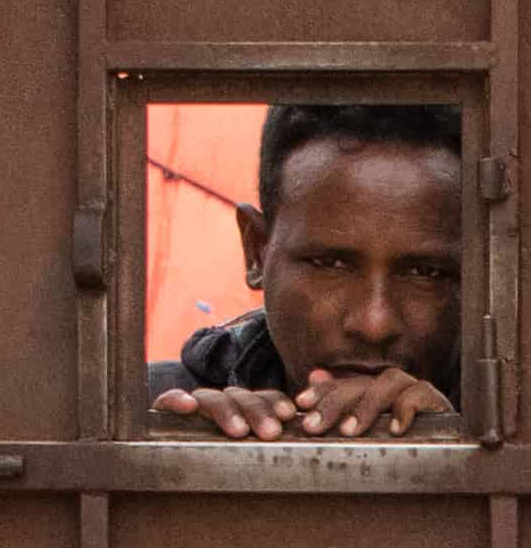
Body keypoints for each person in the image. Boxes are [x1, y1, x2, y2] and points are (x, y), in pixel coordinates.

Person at [148, 99, 467, 437]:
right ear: (256, 250)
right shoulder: (142, 409)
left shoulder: (512, 428)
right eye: (331, 264)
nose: (375, 325)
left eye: (426, 273)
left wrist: (460, 462)